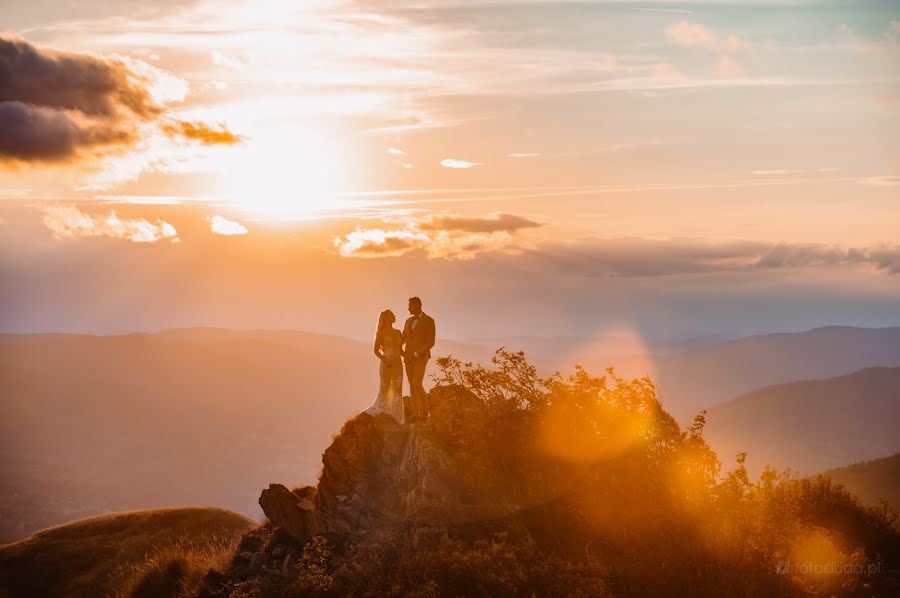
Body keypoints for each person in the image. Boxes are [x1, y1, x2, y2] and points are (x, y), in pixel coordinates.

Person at [362, 309, 405, 424]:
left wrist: (411, 357)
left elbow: (400, 351)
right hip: (386, 365)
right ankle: (384, 414)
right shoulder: (381, 333)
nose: (395, 315)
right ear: (386, 318)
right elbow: (376, 350)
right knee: (384, 390)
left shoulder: (398, 332)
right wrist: (385, 360)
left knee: (397, 391)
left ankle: (397, 417)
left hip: (398, 364)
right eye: (392, 314)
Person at [401, 296, 435, 423]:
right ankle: (416, 414)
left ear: (417, 305)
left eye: (410, 305)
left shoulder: (429, 321)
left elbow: (430, 342)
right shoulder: (407, 321)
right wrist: (398, 348)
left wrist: (416, 354)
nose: (408, 308)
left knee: (417, 383)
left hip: (421, 358)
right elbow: (403, 338)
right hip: (408, 358)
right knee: (411, 385)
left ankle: (425, 413)